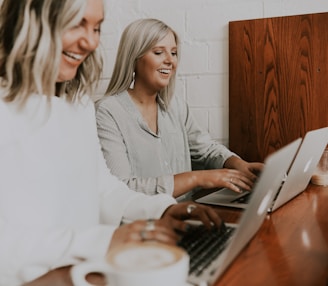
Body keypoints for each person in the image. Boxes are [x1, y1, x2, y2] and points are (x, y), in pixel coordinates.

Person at [0, 2, 222, 285]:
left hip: (87, 274)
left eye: (96, 27)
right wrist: (102, 241)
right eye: (76, 23)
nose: (90, 41)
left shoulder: (78, 106)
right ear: (31, 20)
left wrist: (160, 209)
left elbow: (103, 188)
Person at [96, 18, 264, 199]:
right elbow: (121, 189)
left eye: (174, 53)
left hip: (187, 216)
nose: (170, 60)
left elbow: (206, 149)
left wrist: (238, 164)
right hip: (142, 223)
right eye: (159, 52)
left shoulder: (176, 107)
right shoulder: (107, 112)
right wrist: (196, 178)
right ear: (134, 58)